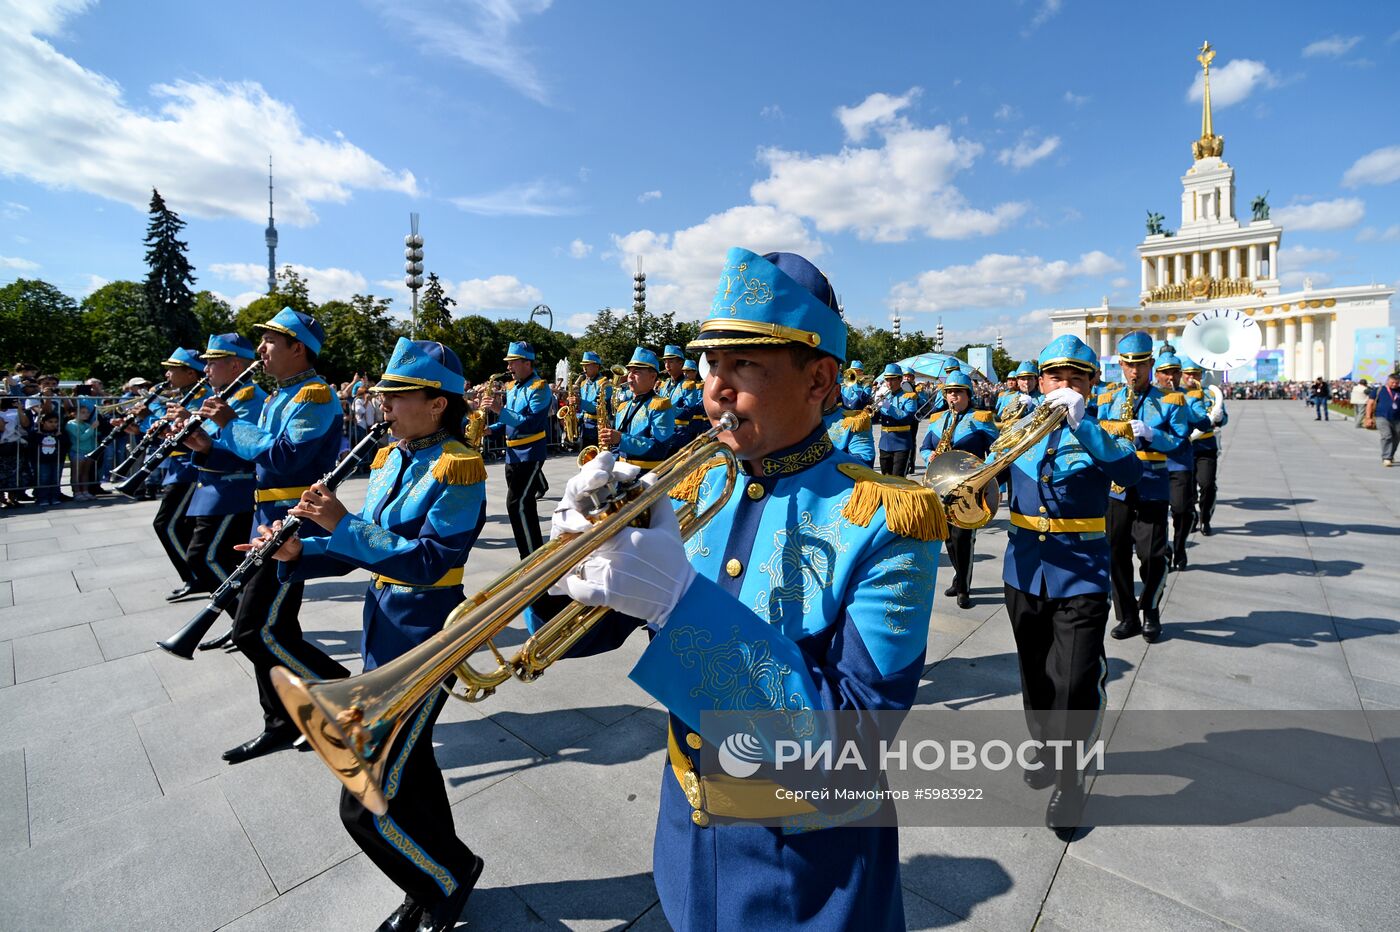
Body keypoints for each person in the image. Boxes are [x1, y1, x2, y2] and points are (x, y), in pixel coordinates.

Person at [548, 247, 943, 931]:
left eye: (746, 365)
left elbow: (854, 738)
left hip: (810, 862)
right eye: (712, 365)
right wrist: (569, 558)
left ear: (819, 379)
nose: (715, 390)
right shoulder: (692, 485)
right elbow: (590, 630)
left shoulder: (886, 518)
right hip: (686, 831)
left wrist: (678, 604)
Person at [253, 339, 488, 932]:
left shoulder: (459, 466)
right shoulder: (390, 458)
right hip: (384, 627)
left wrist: (344, 524)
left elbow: (431, 561)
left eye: (396, 394)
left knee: (365, 802)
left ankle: (442, 882)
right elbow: (362, 550)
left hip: (429, 636)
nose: (381, 403)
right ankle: (447, 870)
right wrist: (298, 549)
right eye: (382, 393)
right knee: (413, 773)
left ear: (438, 404)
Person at [992, 335, 1142, 835]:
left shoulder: (1106, 429)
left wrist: (1085, 424)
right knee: (1034, 675)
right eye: (1056, 376)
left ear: (1092, 384)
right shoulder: (1017, 427)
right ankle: (1043, 743)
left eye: (1077, 377)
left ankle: (1071, 779)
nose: (1065, 385)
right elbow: (989, 476)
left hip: (1080, 574)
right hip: (1023, 569)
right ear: (1040, 381)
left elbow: (1129, 471)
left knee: (1075, 681)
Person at [184, 307, 347, 764]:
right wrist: (213, 444)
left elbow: (286, 458)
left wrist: (231, 423)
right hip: (269, 519)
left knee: (254, 630)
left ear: (299, 348)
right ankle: (280, 722)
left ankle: (348, 694)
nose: (261, 350)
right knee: (275, 626)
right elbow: (257, 464)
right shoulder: (282, 396)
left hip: (294, 522)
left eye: (271, 341)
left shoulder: (314, 395)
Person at [1097, 332, 1188, 642]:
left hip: (1151, 483)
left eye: (1140, 365)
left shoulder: (1171, 401)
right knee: (1115, 553)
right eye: (1128, 365)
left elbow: (1180, 445)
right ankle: (1127, 616)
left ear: (1151, 363)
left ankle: (1149, 608)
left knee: (1152, 555)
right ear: (1121, 365)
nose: (1134, 372)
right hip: (1117, 487)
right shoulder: (1109, 398)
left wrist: (1153, 434)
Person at [181, 334, 265, 647]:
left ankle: (246, 622)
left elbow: (253, 450)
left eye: (212, 363)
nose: (206, 370)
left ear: (234, 365)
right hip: (214, 490)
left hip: (233, 490)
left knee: (207, 557)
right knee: (213, 560)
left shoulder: (251, 400)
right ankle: (242, 623)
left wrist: (207, 445)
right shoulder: (225, 398)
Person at [919, 371, 999, 608]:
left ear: (968, 394)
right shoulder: (938, 419)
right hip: (942, 485)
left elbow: (996, 450)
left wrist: (986, 475)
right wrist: (929, 456)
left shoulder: (981, 418)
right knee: (947, 538)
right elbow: (924, 447)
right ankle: (958, 576)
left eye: (958, 392)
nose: (953, 397)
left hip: (969, 485)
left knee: (963, 537)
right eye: (949, 393)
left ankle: (964, 587)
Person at [152, 348, 210, 597]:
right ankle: (200, 576)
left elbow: (209, 432)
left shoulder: (203, 397)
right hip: (178, 468)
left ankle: (197, 576)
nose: (167, 374)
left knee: (166, 524)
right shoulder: (186, 395)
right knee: (180, 525)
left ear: (189, 373)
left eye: (172, 369)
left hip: (190, 469)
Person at [487, 341, 552, 558]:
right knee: (524, 506)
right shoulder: (512, 388)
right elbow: (510, 423)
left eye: (512, 362)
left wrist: (499, 410)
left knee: (516, 505)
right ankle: (533, 553)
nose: (509, 368)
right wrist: (490, 430)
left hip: (530, 453)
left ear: (527, 362)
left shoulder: (540, 388)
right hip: (512, 454)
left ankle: (530, 558)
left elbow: (530, 423)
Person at [1154, 352, 1210, 571]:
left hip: (1179, 463)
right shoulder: (1148, 397)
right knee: (1156, 514)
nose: (1171, 377)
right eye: (1165, 372)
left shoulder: (1189, 396)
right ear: (1156, 374)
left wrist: (1185, 401)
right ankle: (1165, 550)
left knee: (1180, 510)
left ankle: (1179, 547)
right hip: (1153, 464)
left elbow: (1203, 422)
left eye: (1175, 372)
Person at [599, 347, 676, 469]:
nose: (630, 376)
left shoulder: (660, 405)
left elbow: (659, 448)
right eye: (629, 371)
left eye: (637, 372)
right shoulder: (623, 406)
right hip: (620, 472)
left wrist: (621, 439)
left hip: (645, 475)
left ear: (652, 376)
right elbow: (616, 448)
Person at [1180, 360, 1227, 536]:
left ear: (1202, 375)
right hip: (1184, 446)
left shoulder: (1211, 394)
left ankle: (1205, 518)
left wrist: (1220, 417)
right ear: (1182, 375)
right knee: (1187, 488)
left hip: (1206, 445)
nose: (1191, 377)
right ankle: (1191, 516)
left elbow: (1224, 418)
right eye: (1188, 374)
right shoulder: (1177, 394)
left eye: (1196, 374)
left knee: (1207, 484)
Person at [872, 363, 919, 476]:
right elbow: (876, 419)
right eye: (887, 379)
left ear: (900, 379)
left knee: (898, 480)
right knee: (885, 479)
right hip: (884, 443)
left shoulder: (909, 396)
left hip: (901, 443)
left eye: (892, 379)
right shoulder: (884, 397)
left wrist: (887, 406)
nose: (889, 383)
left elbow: (906, 418)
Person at [576, 350, 613, 450]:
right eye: (583, 365)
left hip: (598, 427)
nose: (584, 368)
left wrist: (579, 401)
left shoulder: (604, 383)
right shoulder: (583, 383)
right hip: (585, 427)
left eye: (587, 365)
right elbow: (584, 410)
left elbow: (597, 407)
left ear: (596, 366)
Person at [1366, 372, 1400, 466]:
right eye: (1392, 382)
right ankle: (1386, 457)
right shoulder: (1379, 390)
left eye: (1397, 383)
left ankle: (1391, 455)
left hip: (1397, 419)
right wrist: (1368, 417)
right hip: (1382, 417)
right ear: (1388, 381)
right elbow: (1370, 404)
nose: (1394, 384)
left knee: (1396, 438)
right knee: (1387, 436)